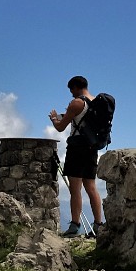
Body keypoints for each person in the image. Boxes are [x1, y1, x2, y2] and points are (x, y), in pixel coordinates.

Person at [49, 75, 105, 238]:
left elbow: (60, 127)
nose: (71, 94)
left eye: (71, 90)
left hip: (77, 147)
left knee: (75, 188)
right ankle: (98, 224)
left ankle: (75, 225)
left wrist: (54, 119)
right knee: (91, 186)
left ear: (75, 87)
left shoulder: (77, 103)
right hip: (92, 147)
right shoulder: (96, 102)